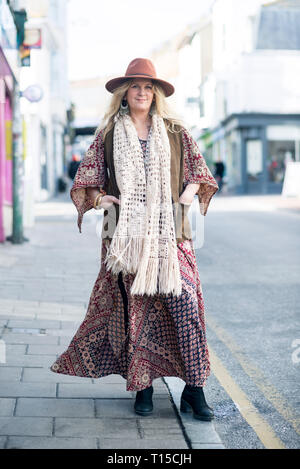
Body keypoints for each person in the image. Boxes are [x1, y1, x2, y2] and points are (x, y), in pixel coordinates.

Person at [50, 58, 219, 420]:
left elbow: (199, 171)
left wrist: (187, 195)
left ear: (155, 94)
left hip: (171, 230)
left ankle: (194, 389)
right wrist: (100, 199)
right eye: (135, 86)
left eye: (148, 87)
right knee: (136, 310)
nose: (142, 92)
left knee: (185, 304)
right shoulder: (109, 133)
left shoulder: (174, 131)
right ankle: (143, 387)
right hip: (124, 236)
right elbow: (87, 178)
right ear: (125, 93)